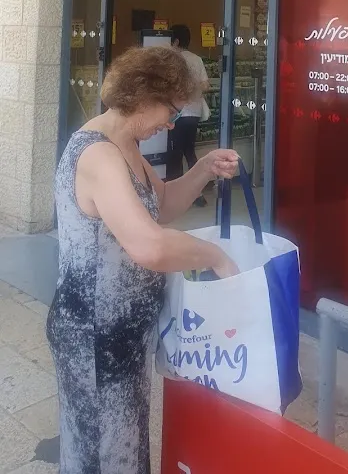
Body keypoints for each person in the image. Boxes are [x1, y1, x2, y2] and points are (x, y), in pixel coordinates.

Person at [46, 46, 238, 474]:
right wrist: (215, 256)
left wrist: (205, 168)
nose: (171, 123)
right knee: (104, 458)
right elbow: (149, 244)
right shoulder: (98, 154)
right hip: (94, 339)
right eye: (171, 110)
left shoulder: (125, 144)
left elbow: (162, 204)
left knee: (125, 450)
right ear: (143, 95)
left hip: (122, 336)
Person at [166, 24, 210, 206]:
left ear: (176, 41)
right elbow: (206, 85)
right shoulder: (197, 59)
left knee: (175, 153)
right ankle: (197, 193)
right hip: (194, 112)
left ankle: (178, 195)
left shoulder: (172, 60)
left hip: (176, 113)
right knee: (189, 151)